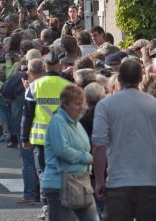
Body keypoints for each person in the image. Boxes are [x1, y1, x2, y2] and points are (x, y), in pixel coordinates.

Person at [93, 59, 156, 221]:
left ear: (119, 78)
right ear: (140, 78)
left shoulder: (106, 105)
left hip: (118, 180)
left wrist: (100, 180)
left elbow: (99, 146)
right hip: (150, 181)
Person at [21, 51, 71, 220]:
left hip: (40, 139)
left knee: (44, 173)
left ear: (44, 66)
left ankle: (49, 207)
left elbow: (27, 115)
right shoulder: (67, 85)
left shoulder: (34, 86)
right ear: (58, 66)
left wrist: (24, 138)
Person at [42, 84, 99, 221]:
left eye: (82, 103)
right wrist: (86, 157)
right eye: (77, 104)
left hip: (81, 182)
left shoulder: (77, 123)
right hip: (60, 184)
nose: (81, 107)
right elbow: (63, 151)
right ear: (65, 104)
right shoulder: (57, 121)